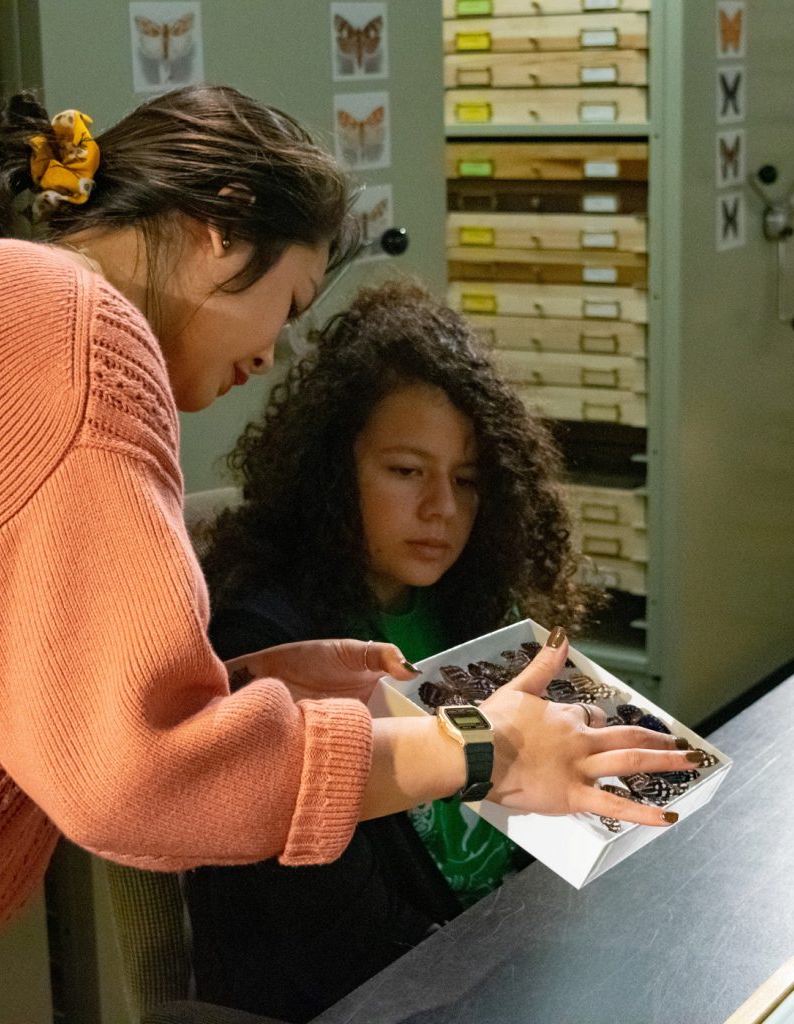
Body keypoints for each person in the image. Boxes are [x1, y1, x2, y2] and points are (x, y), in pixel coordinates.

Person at [0, 85, 693, 989]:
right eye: (286, 305)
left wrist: (246, 686)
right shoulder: (63, 321)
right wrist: (482, 749)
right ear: (222, 226)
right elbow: (136, 780)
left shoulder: (11, 308)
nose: (271, 355)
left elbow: (44, 690)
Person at [173, 279, 608, 1021]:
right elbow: (342, 952)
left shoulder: (474, 606)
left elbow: (605, 820)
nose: (440, 508)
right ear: (330, 471)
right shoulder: (266, 646)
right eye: (405, 472)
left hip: (509, 960)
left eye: (466, 481)